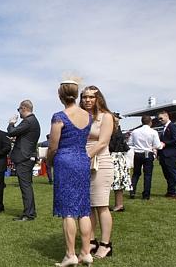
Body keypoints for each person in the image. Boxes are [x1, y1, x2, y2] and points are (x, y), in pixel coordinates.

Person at [47, 80, 93, 267]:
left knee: (68, 211)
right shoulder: (88, 116)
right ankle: (86, 253)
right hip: (82, 160)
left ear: (60, 96)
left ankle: (70, 254)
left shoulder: (59, 116)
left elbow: (53, 146)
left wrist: (49, 161)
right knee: (83, 209)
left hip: (65, 161)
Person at [80, 85, 114, 259]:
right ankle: (91, 240)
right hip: (83, 163)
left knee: (101, 205)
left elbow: (102, 142)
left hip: (100, 162)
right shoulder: (81, 117)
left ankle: (106, 244)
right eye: (85, 97)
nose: (88, 100)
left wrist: (82, 158)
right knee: (87, 205)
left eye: (91, 97)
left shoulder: (106, 117)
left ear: (98, 98)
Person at [6, 99, 41, 221]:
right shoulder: (33, 121)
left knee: (25, 186)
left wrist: (11, 123)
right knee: (27, 186)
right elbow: (25, 138)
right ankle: (30, 212)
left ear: (24, 108)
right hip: (27, 157)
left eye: (19, 109)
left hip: (24, 158)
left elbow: (11, 132)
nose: (18, 112)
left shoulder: (28, 121)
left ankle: (29, 214)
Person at [127, 115, 164, 200]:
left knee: (136, 173)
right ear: (150, 122)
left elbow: (130, 143)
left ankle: (132, 191)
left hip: (137, 153)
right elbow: (157, 145)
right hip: (148, 153)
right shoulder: (153, 132)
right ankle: (146, 195)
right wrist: (161, 145)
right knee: (148, 175)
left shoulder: (135, 131)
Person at [157, 110, 176, 199]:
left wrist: (165, 143)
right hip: (164, 154)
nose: (160, 120)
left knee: (173, 173)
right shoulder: (165, 127)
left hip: (170, 154)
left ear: (166, 116)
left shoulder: (172, 126)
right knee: (167, 174)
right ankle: (171, 191)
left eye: (161, 118)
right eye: (159, 119)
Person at [109, 116, 131, 212]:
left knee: (115, 183)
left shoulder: (113, 132)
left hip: (113, 157)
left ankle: (118, 205)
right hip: (120, 158)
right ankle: (119, 204)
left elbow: (111, 146)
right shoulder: (119, 131)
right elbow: (125, 147)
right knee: (118, 184)